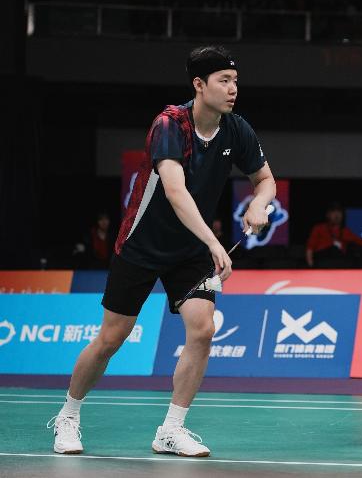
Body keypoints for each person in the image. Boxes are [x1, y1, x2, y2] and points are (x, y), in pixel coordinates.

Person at [47, 46, 276, 457]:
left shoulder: (236, 129)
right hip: (142, 243)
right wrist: (214, 242)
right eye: (223, 81)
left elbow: (265, 180)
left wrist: (259, 203)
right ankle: (68, 415)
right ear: (199, 84)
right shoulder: (170, 125)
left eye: (235, 81)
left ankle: (171, 429)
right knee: (111, 339)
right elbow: (174, 191)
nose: (233, 89)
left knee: (202, 330)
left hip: (189, 250)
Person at [305, 202, 362, 268]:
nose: (336, 215)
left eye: (339, 212)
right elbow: (310, 248)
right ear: (328, 215)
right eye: (333, 212)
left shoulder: (345, 231)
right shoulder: (319, 228)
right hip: (323, 262)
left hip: (340, 263)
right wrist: (311, 265)